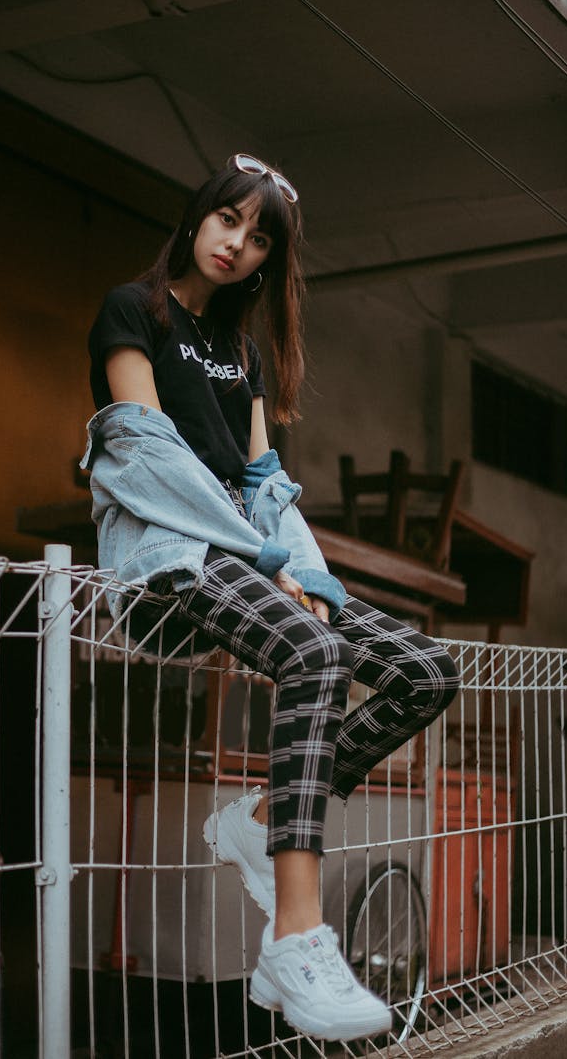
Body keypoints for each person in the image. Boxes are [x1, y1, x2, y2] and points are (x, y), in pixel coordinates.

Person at [84, 153, 460, 1042]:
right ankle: (297, 935)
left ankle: (259, 819)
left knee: (422, 670)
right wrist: (263, 559)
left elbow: (263, 480)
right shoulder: (132, 310)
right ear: (196, 217)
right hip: (169, 556)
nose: (236, 245)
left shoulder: (241, 351)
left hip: (249, 559)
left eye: (258, 240)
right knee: (315, 652)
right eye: (227, 221)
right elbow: (147, 456)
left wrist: (308, 573)